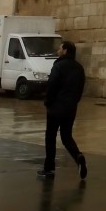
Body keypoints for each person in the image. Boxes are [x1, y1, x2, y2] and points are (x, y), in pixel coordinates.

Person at [37, 40, 87, 180]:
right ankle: (78, 156)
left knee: (50, 137)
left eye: (60, 49)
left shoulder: (58, 65)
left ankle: (49, 169)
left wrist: (48, 102)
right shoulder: (79, 68)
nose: (58, 51)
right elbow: (80, 88)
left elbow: (52, 84)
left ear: (65, 50)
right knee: (66, 136)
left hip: (56, 108)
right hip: (70, 108)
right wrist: (74, 102)